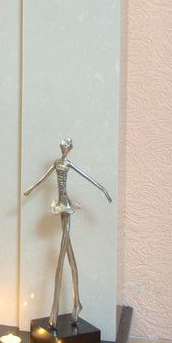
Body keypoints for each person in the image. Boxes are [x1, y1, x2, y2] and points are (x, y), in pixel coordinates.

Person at [24, 137, 111, 327]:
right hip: (58, 204)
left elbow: (87, 177)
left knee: (63, 257)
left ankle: (58, 310)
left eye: (66, 147)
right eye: (63, 146)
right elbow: (43, 179)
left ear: (69, 148)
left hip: (67, 206)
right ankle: (75, 304)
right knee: (68, 256)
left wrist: (103, 189)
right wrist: (31, 189)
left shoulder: (68, 163)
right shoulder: (57, 163)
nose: (64, 149)